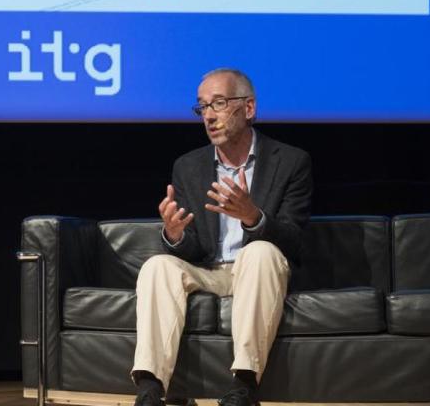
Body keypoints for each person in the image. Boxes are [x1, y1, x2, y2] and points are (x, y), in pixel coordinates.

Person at [132, 69, 312, 406]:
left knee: (259, 251)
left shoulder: (290, 162)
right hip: (210, 270)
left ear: (249, 108)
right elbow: (194, 247)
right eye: (202, 108)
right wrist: (174, 234)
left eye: (219, 103)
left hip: (258, 269)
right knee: (158, 265)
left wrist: (253, 217)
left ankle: (243, 384)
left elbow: (294, 241)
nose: (209, 116)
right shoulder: (188, 166)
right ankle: (149, 388)